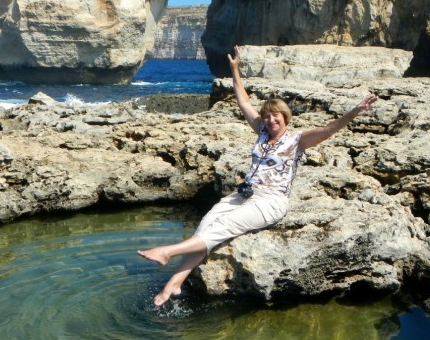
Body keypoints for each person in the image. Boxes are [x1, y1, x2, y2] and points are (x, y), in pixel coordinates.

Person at [138, 45, 379, 306]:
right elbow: (243, 99)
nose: (270, 120)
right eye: (266, 116)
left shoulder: (297, 140)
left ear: (284, 117)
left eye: (275, 115)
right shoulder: (261, 132)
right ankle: (174, 283)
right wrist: (234, 70)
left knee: (223, 227)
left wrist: (354, 112)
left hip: (271, 201)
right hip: (244, 194)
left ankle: (168, 251)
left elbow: (329, 129)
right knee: (206, 225)